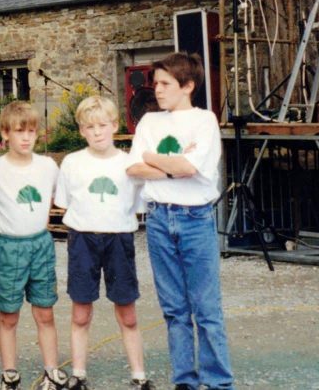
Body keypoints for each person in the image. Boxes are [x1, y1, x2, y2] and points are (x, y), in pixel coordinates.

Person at [128, 52, 233, 390]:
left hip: (194, 219)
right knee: (174, 309)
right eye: (155, 83)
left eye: (165, 83)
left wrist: (155, 160)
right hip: (159, 219)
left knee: (206, 309)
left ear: (187, 86)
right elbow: (134, 168)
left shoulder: (204, 121)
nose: (157, 90)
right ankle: (184, 381)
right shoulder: (148, 122)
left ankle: (218, 383)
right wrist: (173, 163)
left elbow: (192, 168)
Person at [55, 96, 158, 390]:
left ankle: (139, 376)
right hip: (82, 240)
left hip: (119, 240)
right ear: (81, 131)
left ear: (114, 125)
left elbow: (137, 207)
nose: (97, 131)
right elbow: (64, 203)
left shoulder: (129, 164)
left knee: (127, 310)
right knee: (81, 310)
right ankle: (78, 374)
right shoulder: (72, 163)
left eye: (102, 125)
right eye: (90, 126)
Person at [0, 102, 67, 390]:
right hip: (9, 246)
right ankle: (9, 374)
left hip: (40, 243)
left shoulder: (48, 166)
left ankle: (51, 371)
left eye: (31, 131)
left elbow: (55, 194)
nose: (26, 138)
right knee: (9, 314)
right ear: (5, 133)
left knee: (45, 312)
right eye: (19, 131)